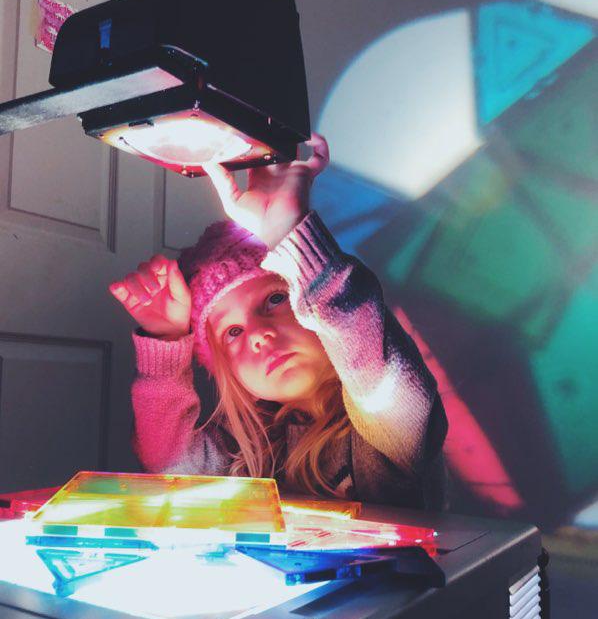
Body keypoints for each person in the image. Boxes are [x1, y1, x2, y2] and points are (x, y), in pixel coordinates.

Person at [109, 134, 448, 509]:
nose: (258, 335)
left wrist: (289, 229)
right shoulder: (246, 449)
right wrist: (166, 341)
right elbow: (169, 464)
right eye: (232, 332)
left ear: (309, 299)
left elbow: (374, 367)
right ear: (227, 371)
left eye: (274, 299)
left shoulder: (388, 425)